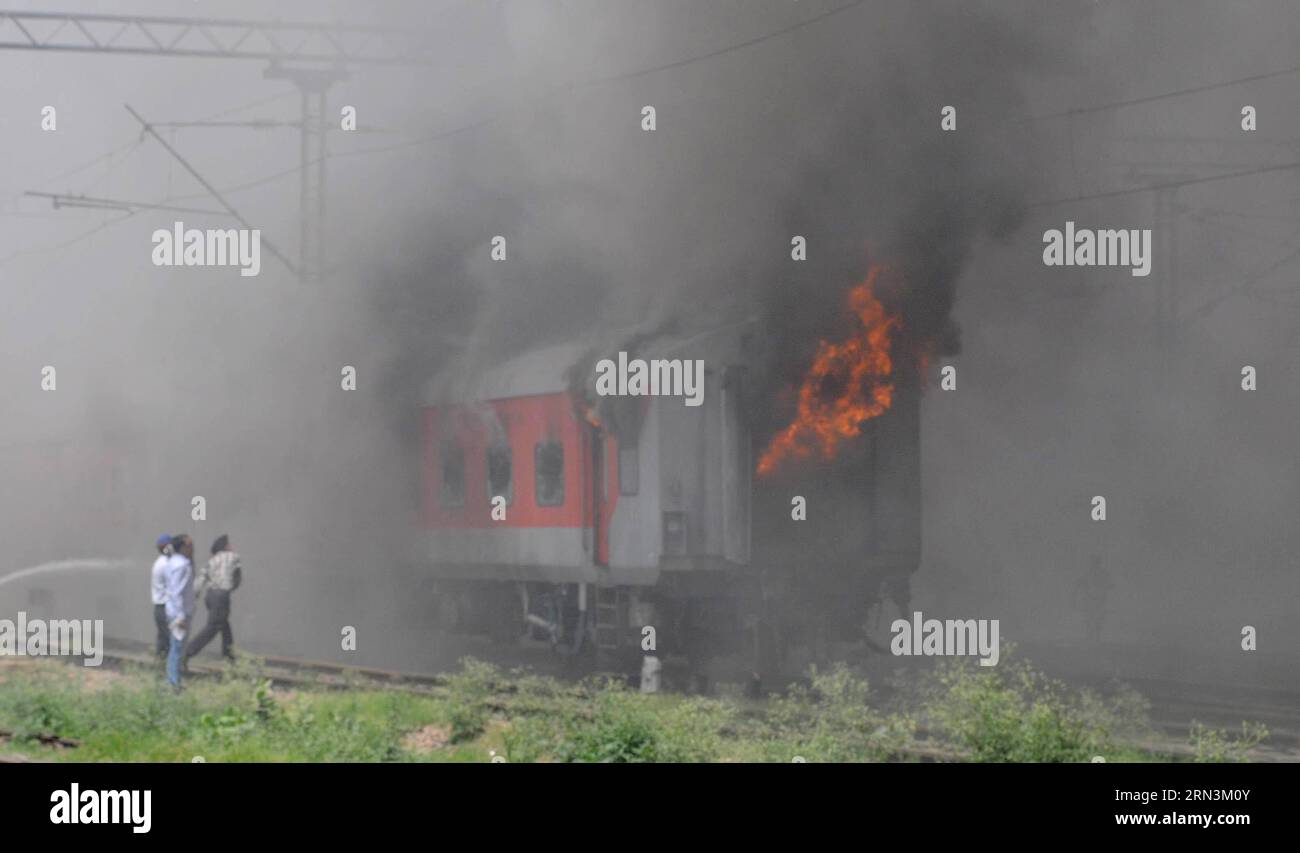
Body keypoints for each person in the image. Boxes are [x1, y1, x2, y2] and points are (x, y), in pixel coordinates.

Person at [185, 534, 242, 664]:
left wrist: (194, 597)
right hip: (221, 595)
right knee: (213, 627)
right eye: (229, 544)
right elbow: (238, 577)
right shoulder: (234, 556)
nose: (232, 546)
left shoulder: (212, 560)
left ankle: (230, 658)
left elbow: (200, 580)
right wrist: (230, 588)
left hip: (210, 596)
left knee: (224, 626)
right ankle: (188, 652)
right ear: (225, 546)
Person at [164, 534, 196, 690]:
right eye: (190, 545)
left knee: (175, 647)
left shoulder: (172, 562)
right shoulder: (182, 565)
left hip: (175, 612)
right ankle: (173, 683)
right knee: (177, 647)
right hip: (179, 614)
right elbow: (176, 592)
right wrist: (181, 616)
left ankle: (173, 680)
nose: (193, 548)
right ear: (183, 547)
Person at [150, 534, 174, 660]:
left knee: (162, 641)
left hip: (160, 608)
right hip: (164, 607)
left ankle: (158, 666)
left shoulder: (160, 562)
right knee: (171, 641)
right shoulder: (166, 564)